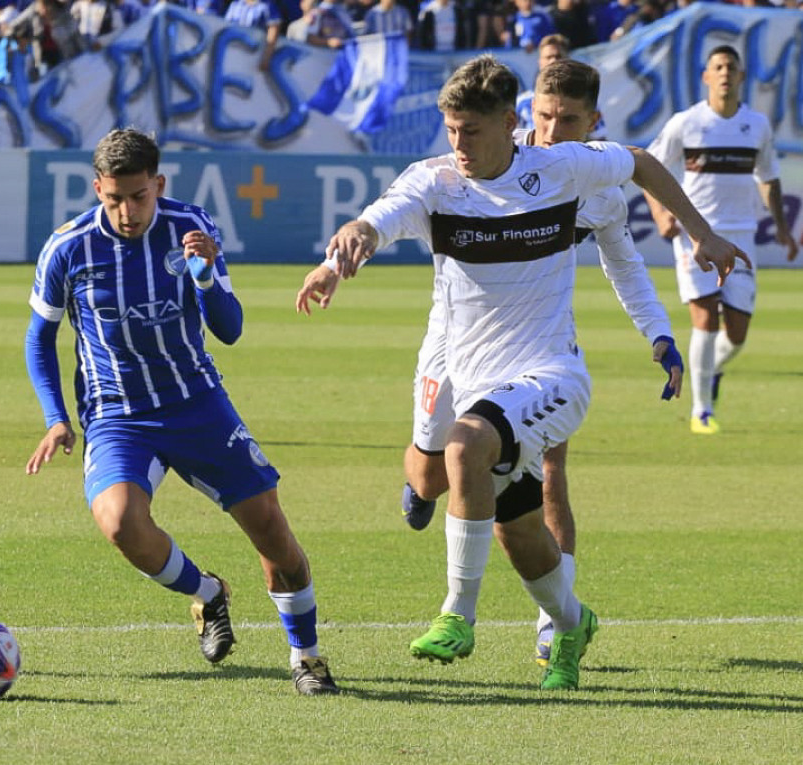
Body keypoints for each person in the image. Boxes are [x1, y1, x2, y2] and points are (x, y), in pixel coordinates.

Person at [296, 54, 744, 690]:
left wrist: (691, 254)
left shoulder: (565, 172)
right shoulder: (435, 181)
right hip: (458, 362)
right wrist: (347, 245)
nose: (458, 145)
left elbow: (640, 166)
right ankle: (570, 620)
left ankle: (459, 613)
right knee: (496, 516)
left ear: (507, 124)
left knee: (473, 448)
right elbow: (383, 215)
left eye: (470, 131)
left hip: (547, 370)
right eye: (450, 130)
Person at [25, 128, 339, 696]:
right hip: (118, 415)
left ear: (159, 185)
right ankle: (208, 593)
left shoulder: (190, 229)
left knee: (271, 531)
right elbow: (38, 339)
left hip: (197, 404)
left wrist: (204, 279)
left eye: (138, 196)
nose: (125, 211)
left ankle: (307, 656)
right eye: (113, 198)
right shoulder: (68, 247)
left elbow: (230, 329)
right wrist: (56, 417)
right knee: (120, 522)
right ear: (97, 187)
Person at [644, 45, 797, 435]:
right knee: (705, 319)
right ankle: (701, 412)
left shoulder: (757, 125)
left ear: (742, 77)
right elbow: (648, 167)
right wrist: (663, 214)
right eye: (718, 67)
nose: (725, 73)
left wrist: (781, 227)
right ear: (706, 77)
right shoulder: (686, 123)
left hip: (740, 233)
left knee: (738, 334)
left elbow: (768, 178)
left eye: (732, 67)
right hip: (694, 233)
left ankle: (711, 373)